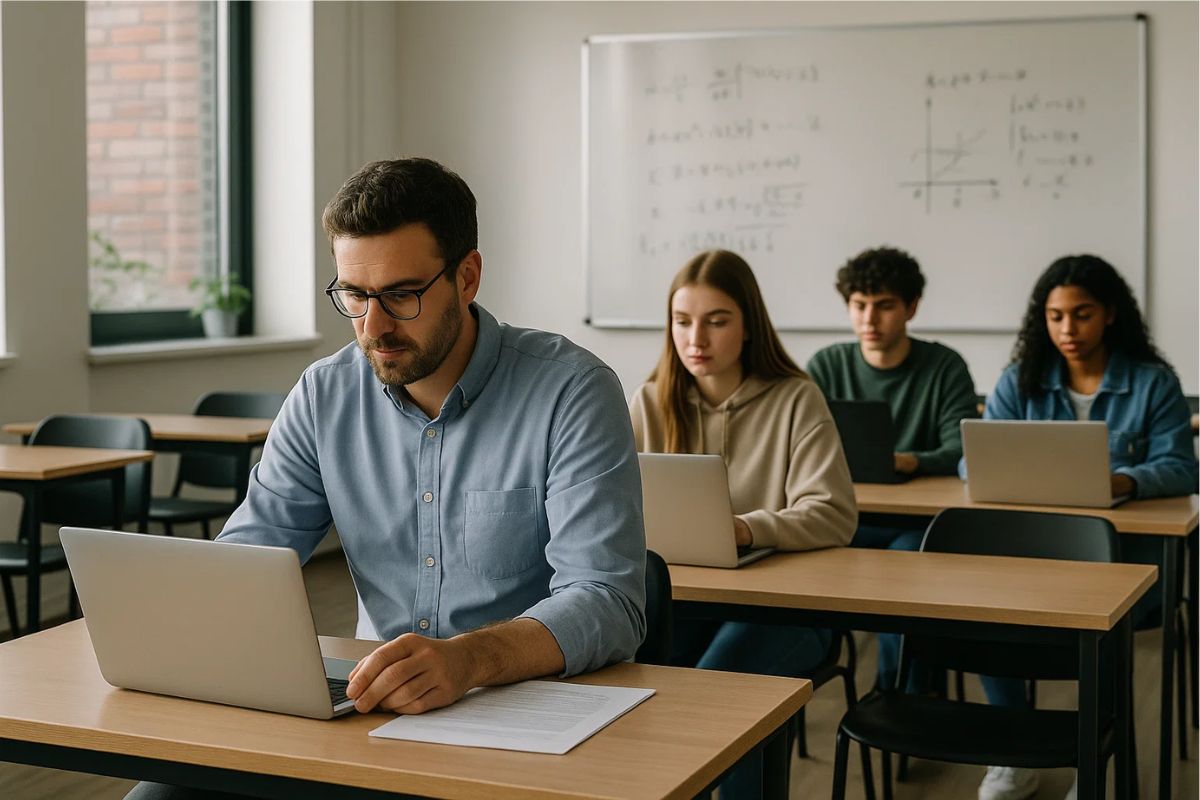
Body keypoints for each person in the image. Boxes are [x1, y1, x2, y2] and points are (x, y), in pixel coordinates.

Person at [125, 158, 646, 799]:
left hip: (527, 719)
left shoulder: (571, 391)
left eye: (401, 295)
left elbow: (608, 600)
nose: (373, 326)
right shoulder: (324, 394)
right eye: (353, 296)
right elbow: (249, 558)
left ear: (467, 277)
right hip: (370, 715)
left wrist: (468, 659)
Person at [628, 249, 856, 800]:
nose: (695, 338)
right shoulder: (651, 401)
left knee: (715, 692)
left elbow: (834, 513)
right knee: (643, 697)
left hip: (786, 611)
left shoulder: (796, 399)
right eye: (682, 322)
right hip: (684, 604)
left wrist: (749, 529)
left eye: (717, 320)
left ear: (749, 325)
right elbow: (611, 507)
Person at [968, 254, 1198, 800]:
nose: (1067, 330)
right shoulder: (1017, 381)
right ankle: (1015, 746)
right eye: (1054, 316)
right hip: (1030, 556)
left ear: (1111, 314)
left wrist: (1115, 482)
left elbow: (1182, 468)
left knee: (1103, 624)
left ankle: (1094, 753)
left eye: (1082, 314)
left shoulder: (1152, 382)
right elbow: (971, 462)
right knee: (974, 607)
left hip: (1124, 558)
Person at [807, 246, 978, 692]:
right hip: (845, 517)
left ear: (911, 308)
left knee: (901, 576)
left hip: (920, 522)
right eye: (859, 306)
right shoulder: (827, 365)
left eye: (884, 306)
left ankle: (898, 693)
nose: (870, 319)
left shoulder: (944, 366)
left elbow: (960, 448)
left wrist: (909, 461)